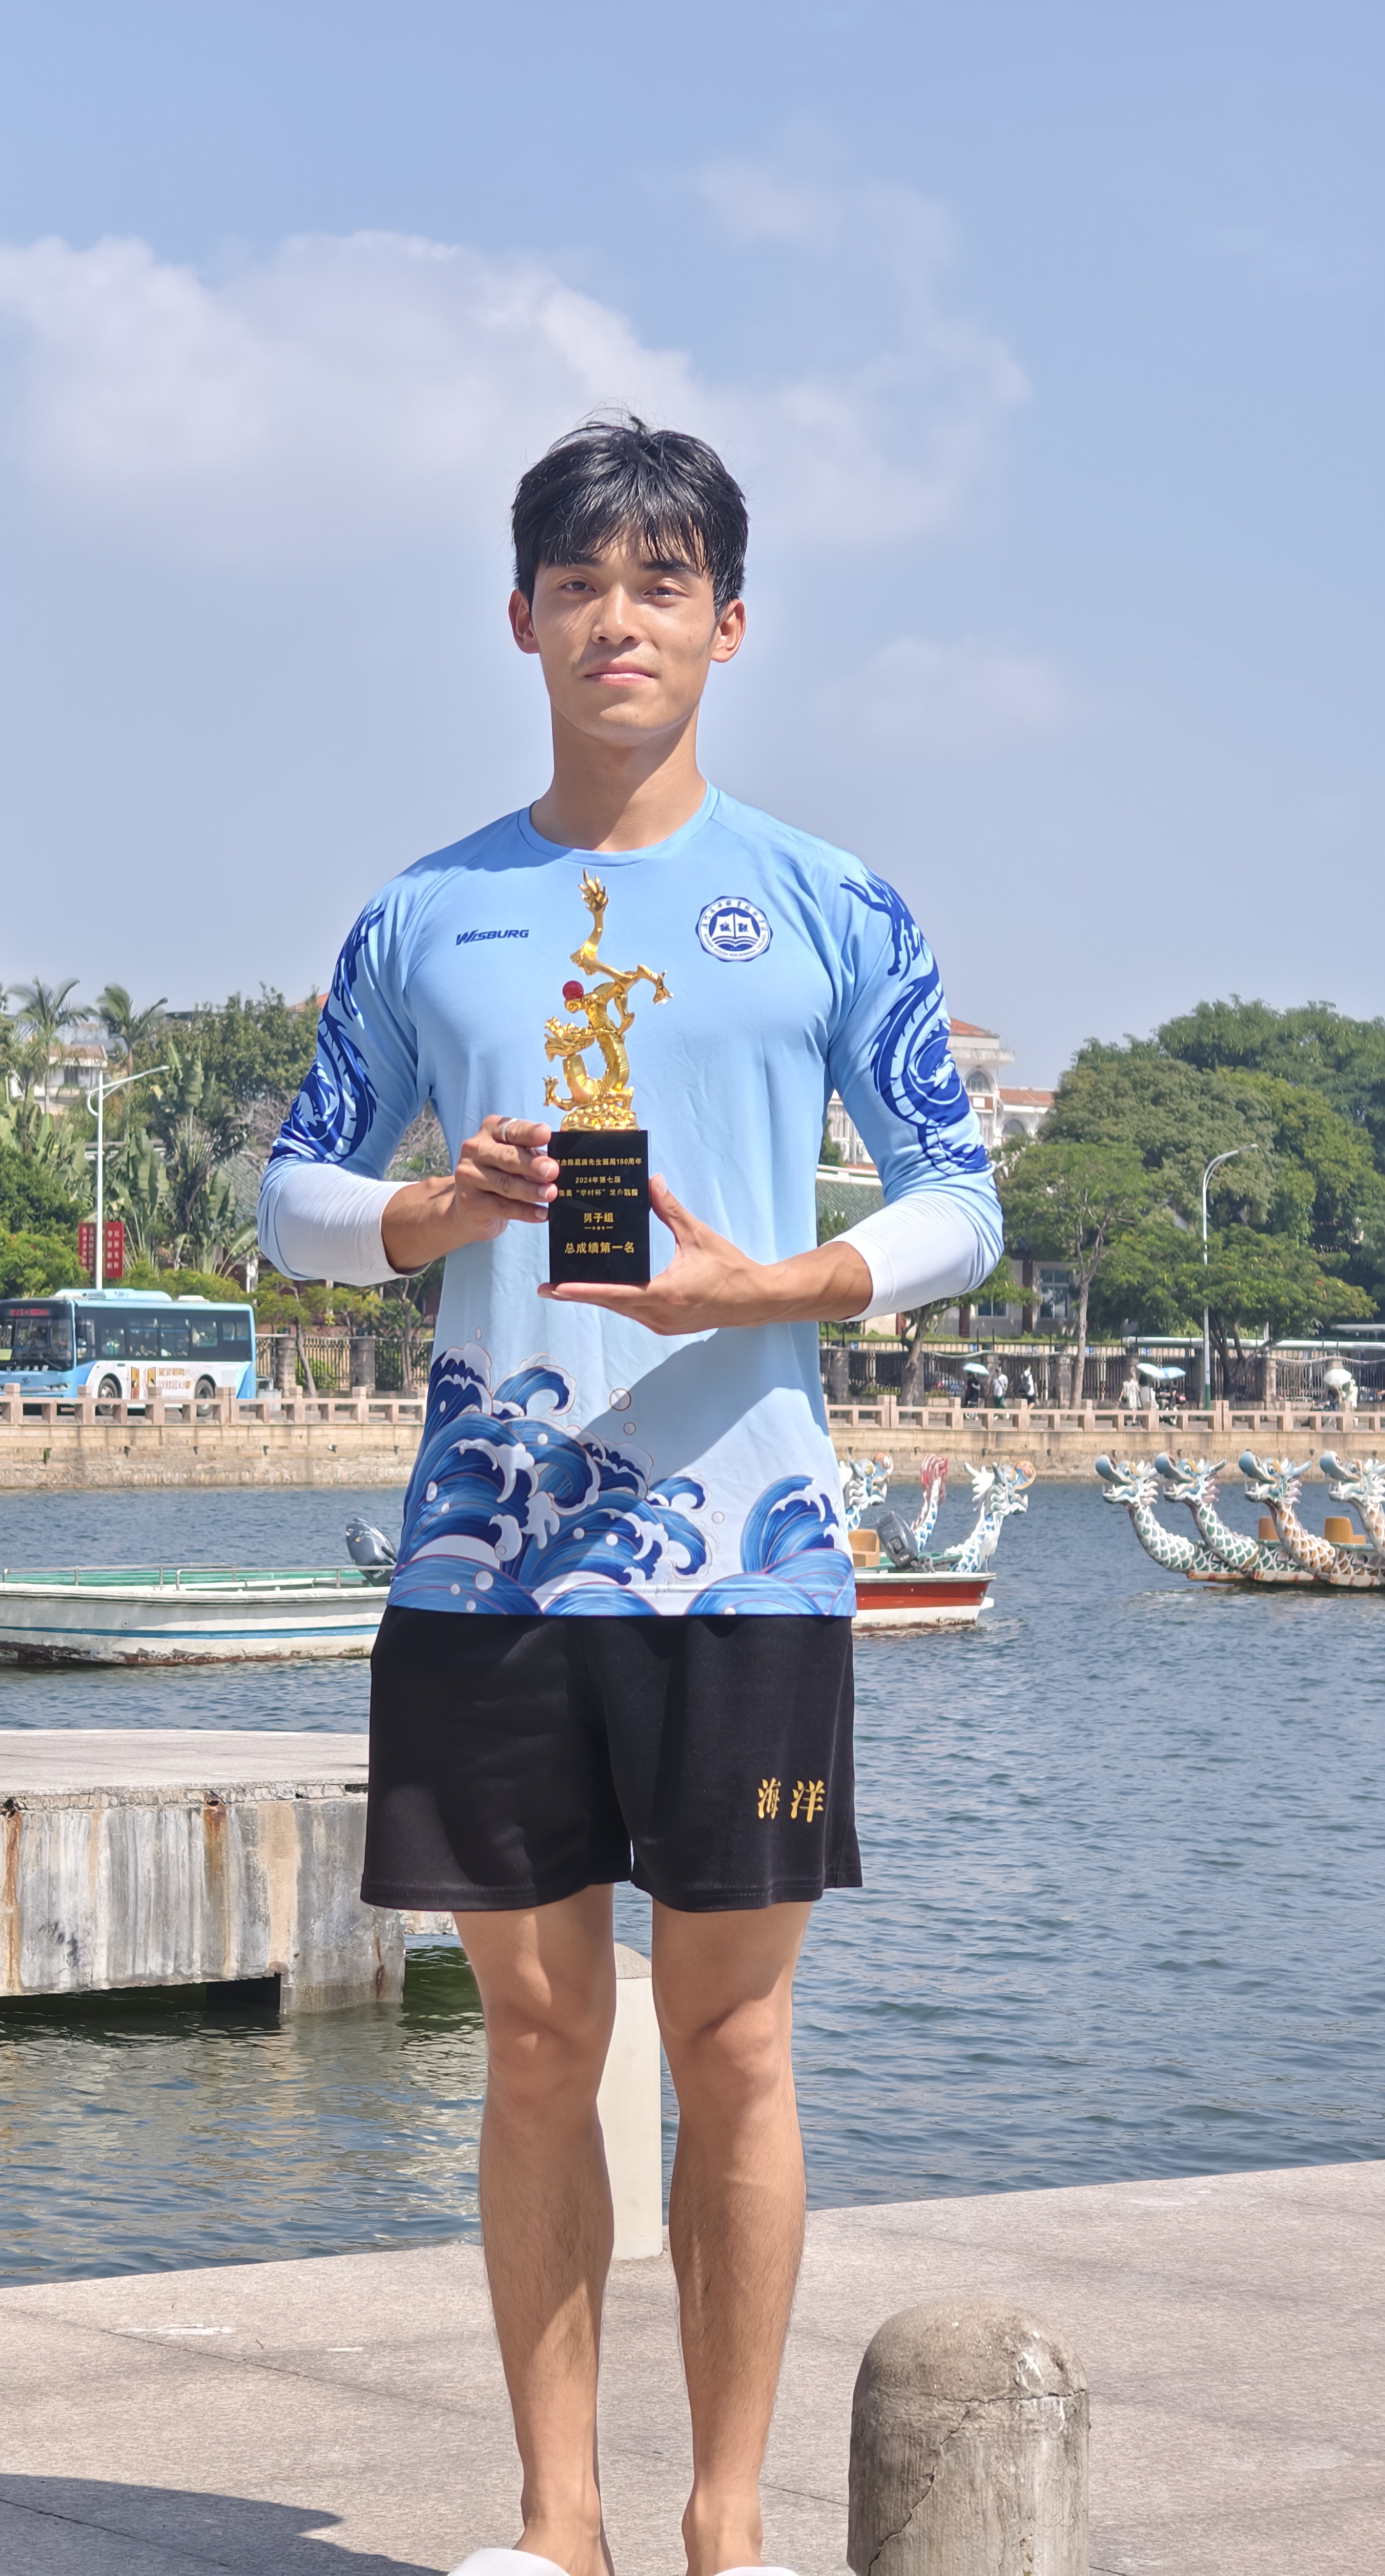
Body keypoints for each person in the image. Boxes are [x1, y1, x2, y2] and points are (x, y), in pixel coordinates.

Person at [257, 418, 1000, 2576]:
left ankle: (724, 2526)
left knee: (737, 2042)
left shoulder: (834, 902)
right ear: (521, 618)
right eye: (580, 584)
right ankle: (558, 2522)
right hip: (484, 1569)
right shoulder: (425, 913)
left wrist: (777, 1283)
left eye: (662, 584)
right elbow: (293, 1197)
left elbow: (961, 1193)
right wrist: (429, 1209)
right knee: (531, 2039)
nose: (619, 621)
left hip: (753, 1560)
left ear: (728, 625)